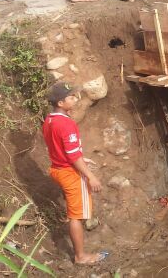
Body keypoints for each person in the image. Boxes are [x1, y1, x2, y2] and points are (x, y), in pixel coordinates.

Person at [43, 83, 106, 265]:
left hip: (57, 167)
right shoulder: (66, 124)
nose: (76, 99)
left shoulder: (49, 120)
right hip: (70, 172)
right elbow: (72, 155)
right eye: (71, 97)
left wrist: (80, 158)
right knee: (76, 216)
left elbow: (60, 148)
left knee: (74, 212)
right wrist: (90, 176)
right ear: (61, 103)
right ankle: (80, 256)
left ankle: (80, 252)